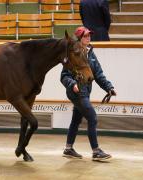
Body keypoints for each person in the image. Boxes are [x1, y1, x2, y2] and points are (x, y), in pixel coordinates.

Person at [60, 26, 117, 161]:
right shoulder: (72, 53)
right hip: (76, 92)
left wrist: (109, 87)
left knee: (76, 119)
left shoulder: (91, 53)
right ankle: (96, 151)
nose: (88, 37)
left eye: (89, 35)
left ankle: (68, 149)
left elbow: (98, 74)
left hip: (85, 92)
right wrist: (72, 84)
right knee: (92, 118)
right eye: (85, 36)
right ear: (79, 39)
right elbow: (63, 76)